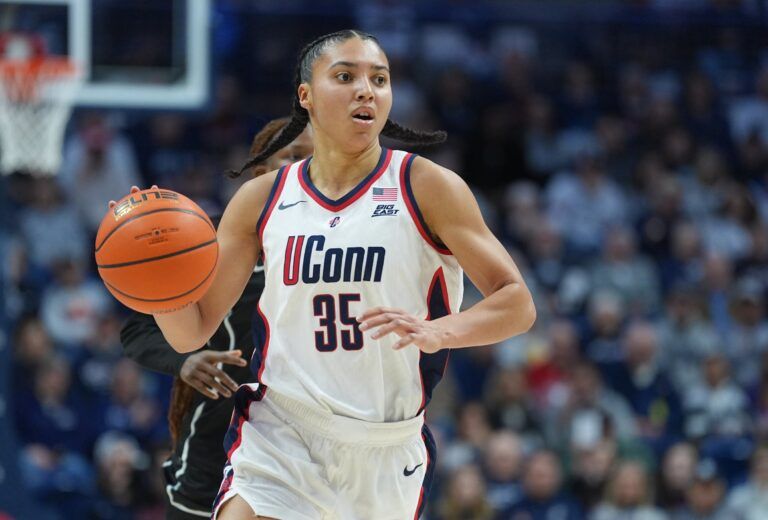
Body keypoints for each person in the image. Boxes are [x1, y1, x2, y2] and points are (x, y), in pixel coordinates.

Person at [116, 29, 535, 519]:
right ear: (306, 96)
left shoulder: (426, 186)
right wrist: (158, 286)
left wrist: (440, 330)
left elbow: (517, 303)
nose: (366, 90)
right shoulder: (260, 199)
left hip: (384, 444)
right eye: (345, 76)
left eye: (379, 79)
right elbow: (193, 329)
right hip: (281, 429)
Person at [119, 118, 313, 519]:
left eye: (315, 158)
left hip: (307, 441)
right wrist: (184, 361)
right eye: (291, 157)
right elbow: (137, 327)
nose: (303, 168)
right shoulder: (211, 242)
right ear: (260, 173)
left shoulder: (346, 247)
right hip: (220, 434)